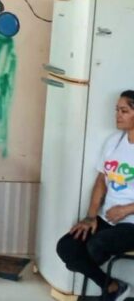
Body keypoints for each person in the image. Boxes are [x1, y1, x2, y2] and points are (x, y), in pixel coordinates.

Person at [55, 91, 134, 301]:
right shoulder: (114, 142)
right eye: (117, 110)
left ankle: (109, 289)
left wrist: (126, 209)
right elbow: (101, 181)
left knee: (95, 246)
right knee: (67, 246)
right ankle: (112, 287)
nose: (117, 115)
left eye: (124, 111)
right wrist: (91, 216)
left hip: (131, 223)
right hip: (108, 219)